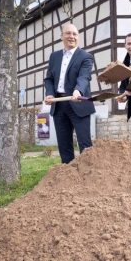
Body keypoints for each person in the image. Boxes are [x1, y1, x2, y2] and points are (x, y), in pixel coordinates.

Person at [44, 23, 95, 164]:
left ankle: (88, 176)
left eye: (75, 34)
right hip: (59, 105)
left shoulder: (86, 56)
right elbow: (49, 79)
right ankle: (68, 176)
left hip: (78, 103)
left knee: (85, 145)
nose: (71, 36)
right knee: (64, 145)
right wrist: (49, 94)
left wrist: (78, 90)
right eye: (68, 33)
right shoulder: (54, 57)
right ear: (61, 36)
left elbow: (84, 77)